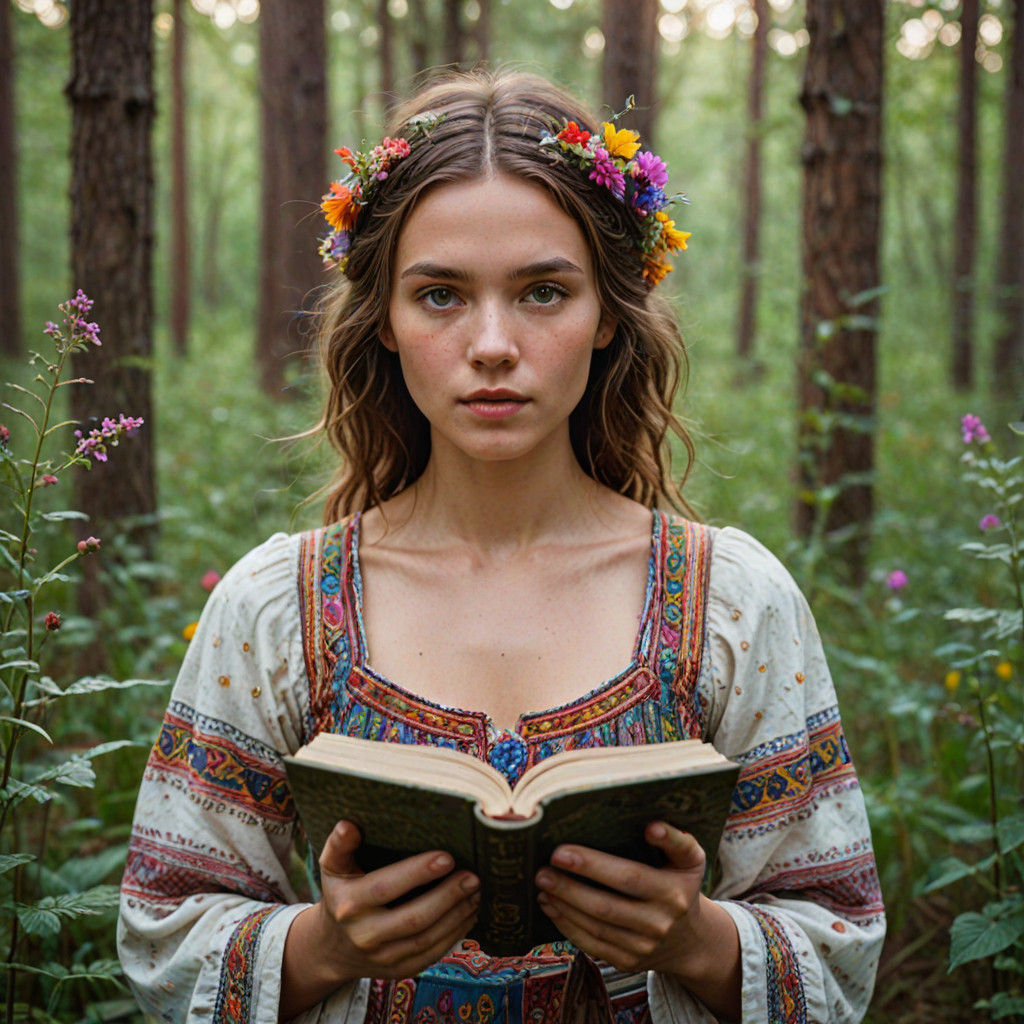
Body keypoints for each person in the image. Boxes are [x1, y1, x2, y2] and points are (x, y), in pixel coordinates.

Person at [118, 70, 885, 1024]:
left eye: (542, 292)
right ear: (386, 324)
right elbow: (161, 932)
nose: (491, 343)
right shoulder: (276, 609)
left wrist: (695, 941)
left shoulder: (733, 601)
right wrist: (323, 947)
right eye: (440, 295)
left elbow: (840, 935)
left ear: (609, 312)